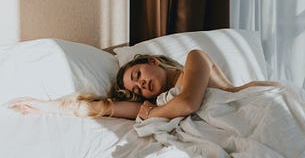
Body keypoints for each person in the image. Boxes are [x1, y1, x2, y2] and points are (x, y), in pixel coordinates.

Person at [9, 50, 282, 120]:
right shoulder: (154, 103)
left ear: (152, 61)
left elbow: (188, 103)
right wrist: (48, 106)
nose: (141, 85)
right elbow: (103, 109)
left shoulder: (195, 59)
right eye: (137, 89)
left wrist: (151, 114)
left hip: (255, 103)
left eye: (138, 74)